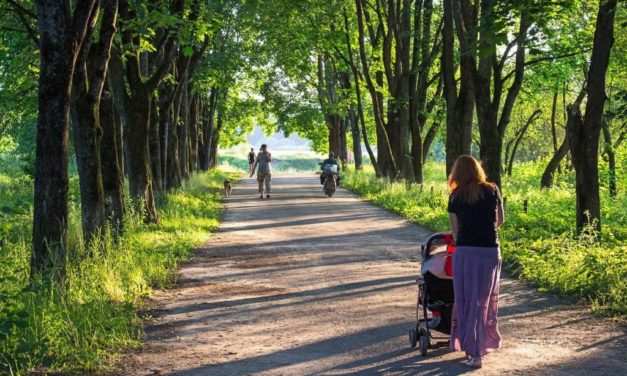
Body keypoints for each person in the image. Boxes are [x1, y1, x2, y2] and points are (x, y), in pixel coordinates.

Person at [447, 155, 504, 369]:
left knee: (467, 301)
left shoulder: (455, 197)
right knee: (484, 301)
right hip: (490, 251)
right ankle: (483, 344)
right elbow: (500, 220)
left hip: (466, 253)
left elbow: (455, 233)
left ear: (457, 173)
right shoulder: (493, 190)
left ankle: (474, 352)